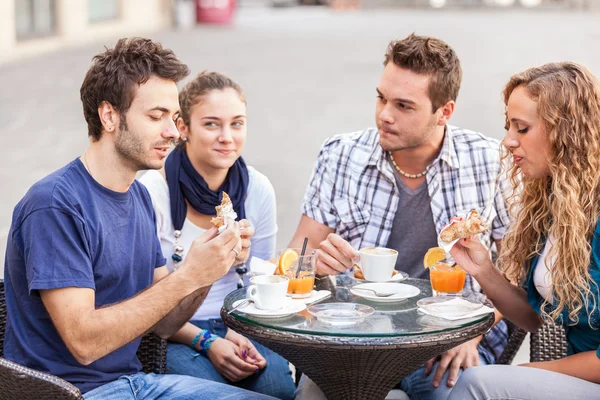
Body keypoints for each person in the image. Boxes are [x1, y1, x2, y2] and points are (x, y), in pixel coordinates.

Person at [3, 37, 274, 400]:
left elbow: (164, 324)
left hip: (137, 384)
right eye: (156, 116)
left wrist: (208, 269)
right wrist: (188, 276)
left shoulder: (139, 196)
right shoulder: (55, 205)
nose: (175, 133)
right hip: (70, 393)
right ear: (110, 115)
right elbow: (84, 342)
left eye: (174, 118)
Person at [290, 33, 511, 400]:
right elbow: (294, 261)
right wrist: (314, 264)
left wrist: (474, 333)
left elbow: (519, 271)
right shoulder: (341, 155)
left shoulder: (490, 162)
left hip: (446, 343)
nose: (384, 115)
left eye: (404, 106)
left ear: (445, 112)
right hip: (353, 341)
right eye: (381, 97)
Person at [447, 62, 600, 399]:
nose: (508, 141)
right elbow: (535, 319)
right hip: (579, 381)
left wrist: (530, 373)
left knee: (476, 384)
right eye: (508, 127)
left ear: (566, 131)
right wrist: (483, 269)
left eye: (522, 128)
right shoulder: (556, 208)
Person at [139, 71, 295, 399]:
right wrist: (207, 341)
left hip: (238, 321)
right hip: (171, 332)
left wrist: (239, 330)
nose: (227, 137)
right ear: (183, 128)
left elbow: (260, 278)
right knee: (212, 391)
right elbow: (145, 304)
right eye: (211, 124)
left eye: (237, 124)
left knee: (278, 388)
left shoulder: (257, 190)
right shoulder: (151, 192)